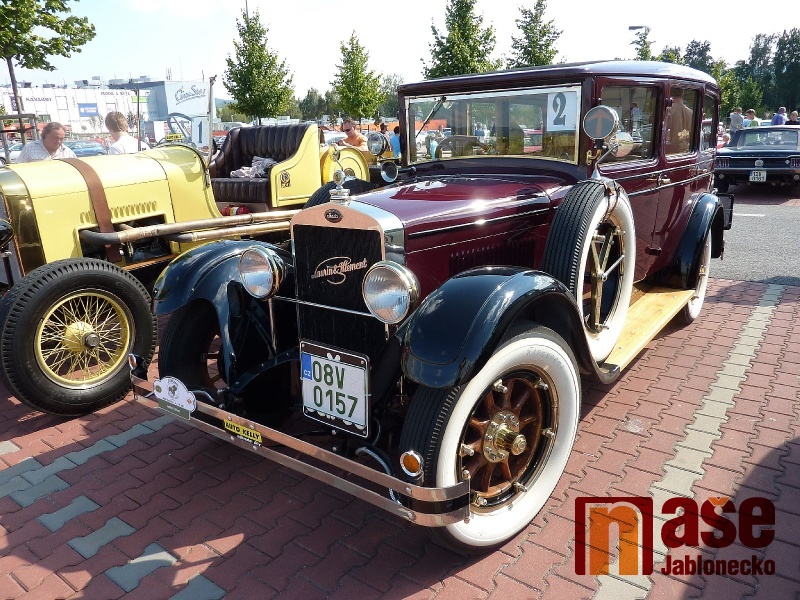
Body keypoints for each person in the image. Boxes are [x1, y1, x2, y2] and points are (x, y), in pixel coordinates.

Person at [666, 88, 693, 154]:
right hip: (686, 153)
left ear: (669, 93)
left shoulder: (667, 110)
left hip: (669, 153)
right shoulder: (691, 113)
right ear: (682, 94)